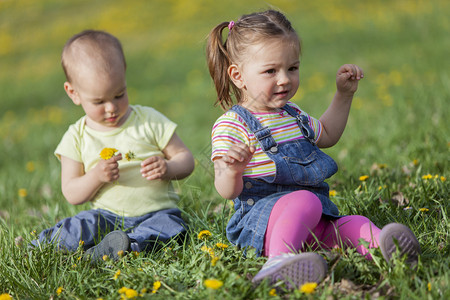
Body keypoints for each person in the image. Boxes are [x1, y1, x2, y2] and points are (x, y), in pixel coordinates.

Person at [206, 10, 420, 289]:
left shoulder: (292, 114)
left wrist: (343, 95)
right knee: (305, 201)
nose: (284, 79)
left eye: (292, 68)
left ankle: (387, 248)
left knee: (352, 223)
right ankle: (277, 263)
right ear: (238, 75)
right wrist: (232, 170)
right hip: (262, 224)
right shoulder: (231, 124)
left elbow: (328, 134)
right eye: (271, 71)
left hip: (314, 220)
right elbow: (226, 190)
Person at [32, 30, 195, 262]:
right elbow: (72, 192)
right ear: (73, 93)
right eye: (99, 101)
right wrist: (96, 176)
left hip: (157, 212)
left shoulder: (148, 119)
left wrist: (169, 168)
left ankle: (128, 246)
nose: (112, 108)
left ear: (125, 78)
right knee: (80, 226)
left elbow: (186, 158)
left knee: (172, 226)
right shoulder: (76, 136)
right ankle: (41, 248)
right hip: (105, 216)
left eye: (120, 94)